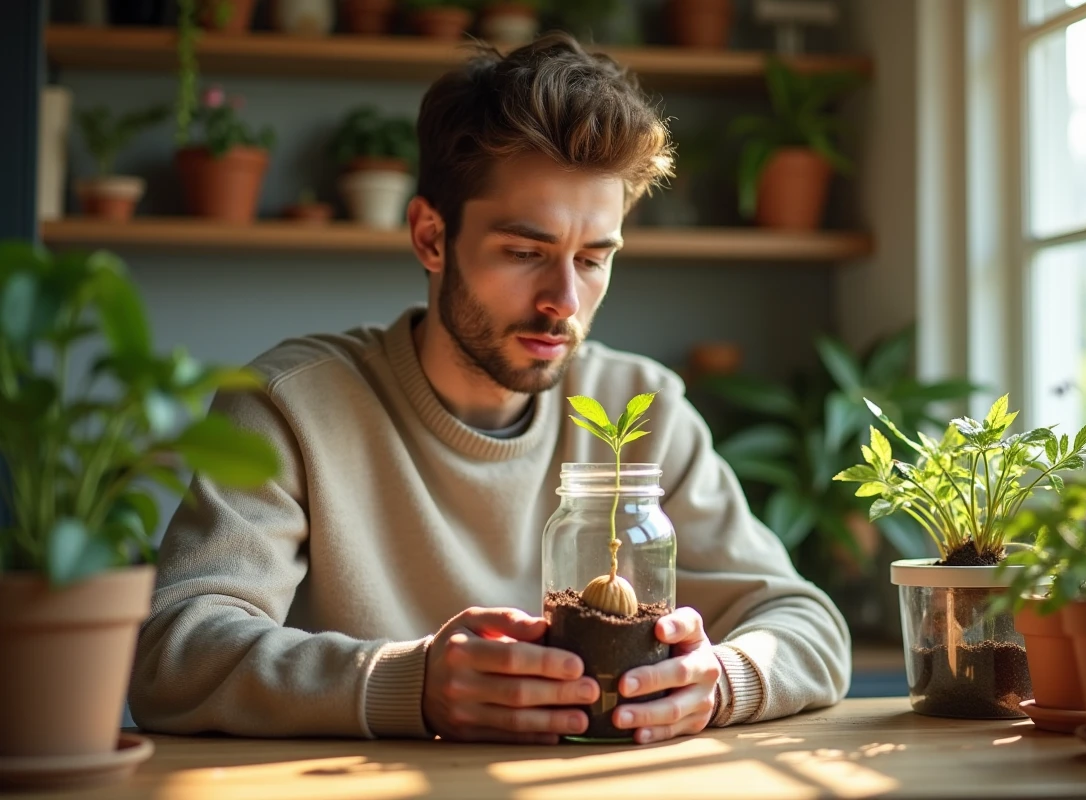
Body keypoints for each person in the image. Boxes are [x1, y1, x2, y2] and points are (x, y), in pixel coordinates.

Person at [129, 32, 850, 746]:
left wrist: (717, 681)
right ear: (430, 237)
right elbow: (174, 655)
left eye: (594, 259)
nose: (563, 299)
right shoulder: (292, 406)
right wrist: (405, 682)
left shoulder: (642, 409)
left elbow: (806, 624)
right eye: (524, 252)